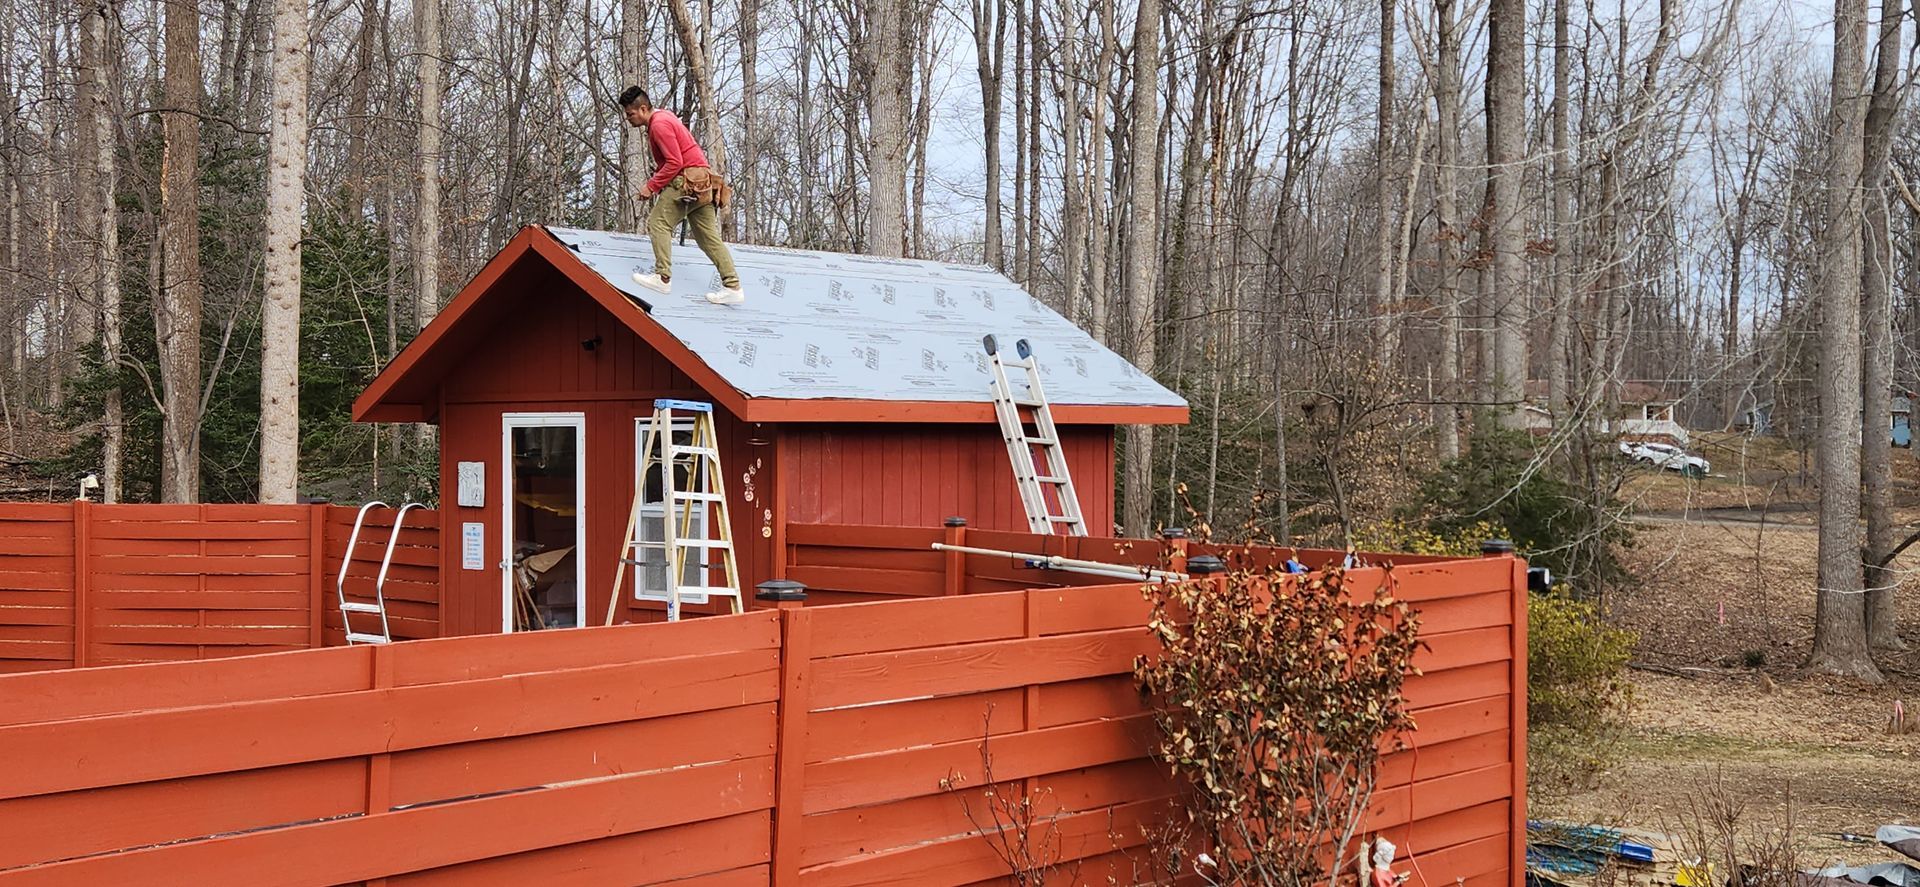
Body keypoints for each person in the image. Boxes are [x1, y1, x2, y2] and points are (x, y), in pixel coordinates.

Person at [619, 86, 744, 305]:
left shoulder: (658, 125)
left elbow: (675, 162)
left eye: (630, 114)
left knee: (658, 223)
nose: (628, 119)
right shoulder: (665, 116)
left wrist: (652, 186)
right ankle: (733, 287)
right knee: (708, 238)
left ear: (643, 108)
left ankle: (662, 278)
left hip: (687, 180)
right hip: (704, 181)